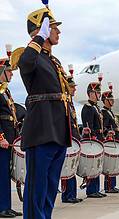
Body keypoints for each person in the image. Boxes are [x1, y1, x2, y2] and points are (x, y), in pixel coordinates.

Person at [18, 7, 72, 218]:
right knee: (36, 190)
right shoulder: (31, 56)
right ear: (41, 30)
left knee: (50, 190)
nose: (58, 32)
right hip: (41, 131)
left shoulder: (52, 61)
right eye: (53, 28)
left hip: (57, 132)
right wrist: (38, 38)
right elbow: (25, 64)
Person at [0, 53, 23, 218]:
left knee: (6, 173)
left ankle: (6, 206)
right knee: (1, 173)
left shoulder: (5, 91)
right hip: (3, 139)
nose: (12, 73)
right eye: (9, 70)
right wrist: (1, 137)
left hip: (10, 136)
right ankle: (2, 207)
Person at [81, 81, 107, 198]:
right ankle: (91, 190)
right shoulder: (88, 108)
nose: (99, 94)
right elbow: (89, 126)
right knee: (92, 165)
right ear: (91, 94)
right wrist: (95, 137)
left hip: (99, 139)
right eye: (97, 92)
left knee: (97, 165)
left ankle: (95, 189)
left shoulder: (96, 107)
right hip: (93, 140)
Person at [61, 72, 83, 204]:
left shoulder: (70, 103)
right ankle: (67, 195)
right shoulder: (64, 102)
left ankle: (71, 194)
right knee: (67, 169)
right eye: (72, 86)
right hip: (68, 140)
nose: (74, 88)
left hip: (73, 140)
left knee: (72, 168)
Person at [101, 90, 119, 193]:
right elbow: (104, 127)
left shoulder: (110, 112)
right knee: (111, 164)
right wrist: (109, 132)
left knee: (114, 164)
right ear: (105, 101)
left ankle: (112, 185)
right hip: (111, 140)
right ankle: (109, 186)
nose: (112, 101)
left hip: (116, 139)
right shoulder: (104, 112)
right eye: (110, 99)